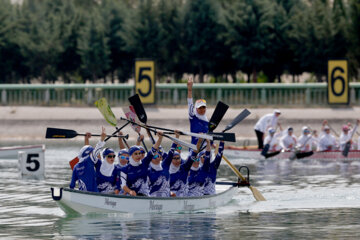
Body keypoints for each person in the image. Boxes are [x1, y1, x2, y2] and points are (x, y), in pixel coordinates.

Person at [120, 132, 163, 196]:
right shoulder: (124, 169)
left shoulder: (144, 163)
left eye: (139, 153)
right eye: (136, 154)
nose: (139, 155)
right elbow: (123, 185)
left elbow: (154, 149)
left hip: (145, 195)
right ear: (131, 156)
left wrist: (160, 138)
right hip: (132, 195)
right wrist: (130, 192)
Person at [69, 127, 106, 192]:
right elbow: (95, 151)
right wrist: (102, 139)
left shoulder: (75, 167)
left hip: (82, 193)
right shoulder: (89, 161)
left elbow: (72, 185)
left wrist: (86, 139)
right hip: (94, 193)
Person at [148, 131, 180, 197]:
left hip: (166, 198)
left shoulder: (165, 165)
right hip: (152, 199)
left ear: (161, 158)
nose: (156, 157)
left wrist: (177, 137)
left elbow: (172, 151)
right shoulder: (147, 168)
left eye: (158, 156)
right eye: (154, 156)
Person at [187, 76, 208, 145]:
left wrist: (212, 143)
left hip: (206, 150)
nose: (202, 110)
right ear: (196, 109)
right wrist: (189, 90)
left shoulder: (208, 121)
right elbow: (190, 102)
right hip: (194, 148)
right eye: (200, 108)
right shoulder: (192, 116)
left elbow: (210, 136)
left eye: (203, 108)